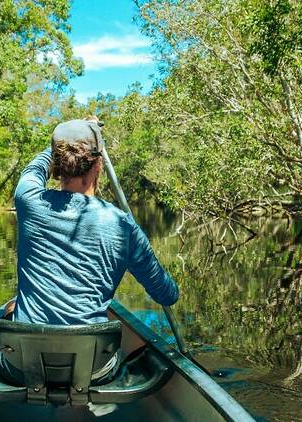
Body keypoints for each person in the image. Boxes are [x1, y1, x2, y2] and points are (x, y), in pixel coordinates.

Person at [11, 117, 179, 325]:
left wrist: (61, 144)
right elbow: (168, 295)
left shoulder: (29, 200)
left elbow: (33, 170)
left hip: (22, 354)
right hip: (90, 355)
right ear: (99, 164)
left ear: (56, 165)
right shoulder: (122, 225)